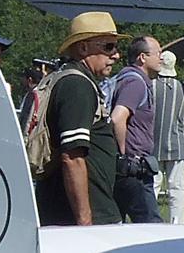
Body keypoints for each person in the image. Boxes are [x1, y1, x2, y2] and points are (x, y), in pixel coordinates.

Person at [35, 12, 123, 227]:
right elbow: (72, 157)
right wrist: (85, 222)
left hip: (65, 212)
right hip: (83, 216)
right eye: (109, 47)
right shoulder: (77, 86)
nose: (116, 55)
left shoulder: (70, 79)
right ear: (83, 48)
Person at [108, 36, 163, 223]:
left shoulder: (125, 79)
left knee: (116, 226)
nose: (161, 58)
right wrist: (124, 155)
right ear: (142, 57)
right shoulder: (136, 83)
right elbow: (117, 118)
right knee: (153, 229)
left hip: (127, 169)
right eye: (158, 53)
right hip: (133, 170)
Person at [152, 49, 184, 226]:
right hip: (177, 143)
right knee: (177, 189)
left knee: (152, 186)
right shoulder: (183, 86)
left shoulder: (150, 85)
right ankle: (177, 224)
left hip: (153, 144)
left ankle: (150, 222)